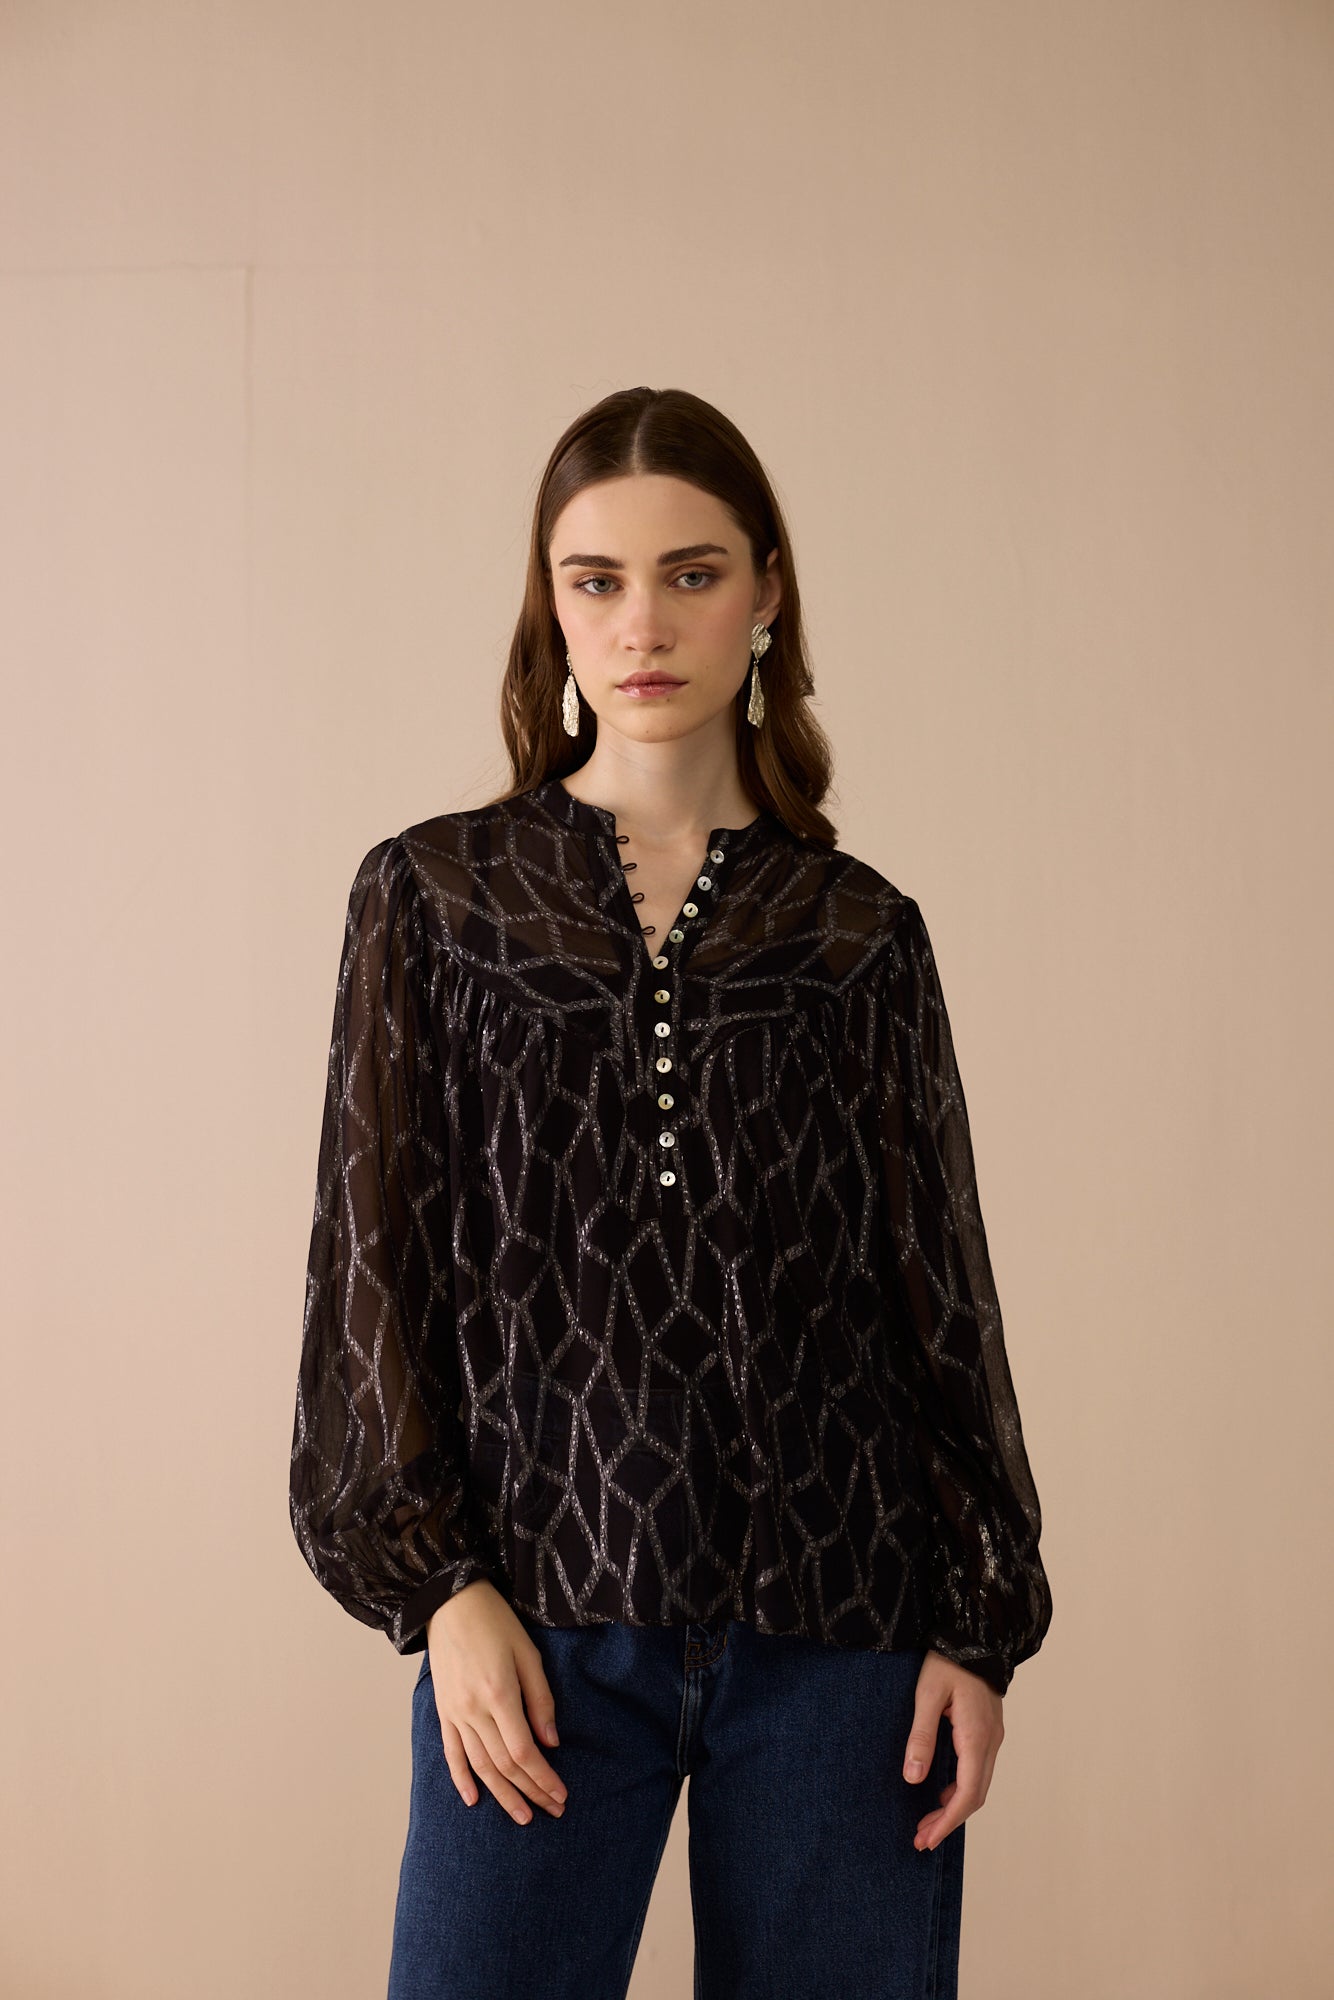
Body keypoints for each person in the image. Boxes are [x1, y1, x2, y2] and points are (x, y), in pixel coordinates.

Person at [289, 386, 1053, 1999]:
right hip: (540, 1625)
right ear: (550, 605)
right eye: (597, 580)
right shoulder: (434, 900)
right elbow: (368, 1275)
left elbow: (938, 1290)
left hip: (843, 1636)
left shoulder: (857, 932)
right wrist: (441, 1595)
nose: (641, 624)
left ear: (765, 592)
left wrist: (973, 1625)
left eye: (690, 575)